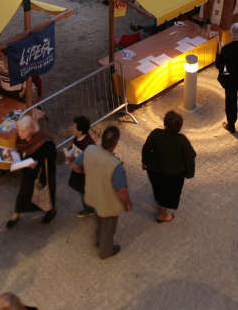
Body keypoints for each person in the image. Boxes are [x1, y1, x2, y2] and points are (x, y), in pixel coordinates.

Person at [72, 125, 130, 259]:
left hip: (93, 194)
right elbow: (121, 190)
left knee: (99, 217)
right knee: (109, 226)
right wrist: (127, 203)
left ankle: (99, 240)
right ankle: (106, 251)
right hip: (108, 202)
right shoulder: (116, 166)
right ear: (115, 144)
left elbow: (74, 166)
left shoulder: (89, 150)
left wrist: (87, 173)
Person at [140, 110, 196, 223]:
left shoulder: (155, 134)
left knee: (158, 189)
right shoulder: (182, 141)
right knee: (168, 194)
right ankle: (162, 215)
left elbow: (146, 149)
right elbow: (190, 157)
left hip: (155, 170)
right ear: (179, 127)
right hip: (174, 175)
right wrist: (190, 173)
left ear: (164, 124)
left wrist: (145, 162)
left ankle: (160, 203)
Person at [5, 115, 58, 228]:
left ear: (31, 129)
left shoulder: (44, 141)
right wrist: (14, 154)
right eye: (19, 130)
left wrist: (37, 164)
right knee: (23, 193)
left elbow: (52, 158)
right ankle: (16, 214)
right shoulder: (22, 137)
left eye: (23, 131)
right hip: (28, 173)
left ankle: (51, 210)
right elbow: (21, 149)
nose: (20, 133)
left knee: (46, 195)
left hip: (43, 175)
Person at [65, 116, 96, 217]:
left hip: (84, 173)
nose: (72, 129)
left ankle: (90, 208)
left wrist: (80, 169)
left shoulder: (88, 145)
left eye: (74, 127)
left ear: (81, 131)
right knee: (81, 189)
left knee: (84, 191)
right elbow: (73, 148)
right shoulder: (77, 138)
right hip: (78, 170)